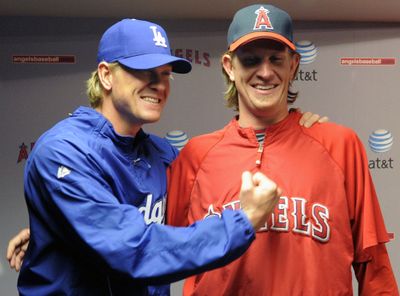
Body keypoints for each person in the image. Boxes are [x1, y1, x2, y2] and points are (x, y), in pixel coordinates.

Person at [6, 16, 326, 294]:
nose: (157, 84)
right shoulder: (64, 151)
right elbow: (134, 250)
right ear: (105, 75)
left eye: (164, 73)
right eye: (142, 71)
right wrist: (241, 222)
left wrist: (294, 129)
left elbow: (217, 187)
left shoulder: (163, 155)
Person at [166, 4, 399, 296]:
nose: (265, 72)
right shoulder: (195, 156)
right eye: (250, 60)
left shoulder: (340, 146)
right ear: (229, 66)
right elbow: (158, 254)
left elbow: (373, 265)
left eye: (276, 59)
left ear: (293, 65)